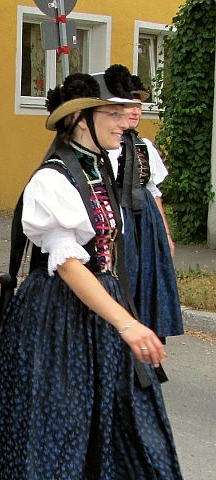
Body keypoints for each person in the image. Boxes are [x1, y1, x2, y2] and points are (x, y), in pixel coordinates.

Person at [0, 73, 182, 478]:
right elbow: (71, 265)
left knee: (126, 423)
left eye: (127, 112)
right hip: (58, 316)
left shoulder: (104, 168)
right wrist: (127, 324)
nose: (125, 121)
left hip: (103, 307)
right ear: (79, 120)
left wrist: (128, 315)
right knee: (60, 425)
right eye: (114, 112)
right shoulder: (53, 179)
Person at [103, 65, 183, 340]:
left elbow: (153, 191)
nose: (136, 111)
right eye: (130, 106)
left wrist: (166, 234)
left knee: (149, 278)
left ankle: (148, 337)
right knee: (123, 275)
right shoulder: (106, 147)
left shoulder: (144, 146)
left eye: (139, 106)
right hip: (117, 217)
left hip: (145, 221)